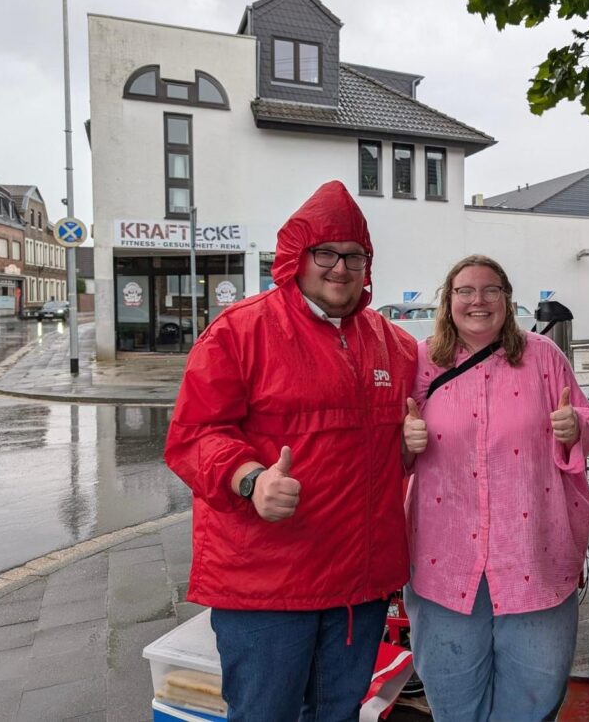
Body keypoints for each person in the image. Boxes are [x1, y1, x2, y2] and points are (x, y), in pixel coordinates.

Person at [165, 181, 416, 722]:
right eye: (325, 253)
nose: (340, 268)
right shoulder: (239, 332)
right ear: (296, 257)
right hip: (267, 586)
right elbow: (194, 435)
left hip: (357, 586)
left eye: (354, 255)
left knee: (338, 714)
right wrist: (251, 479)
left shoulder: (394, 344)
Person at [401, 254, 589, 721]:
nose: (479, 300)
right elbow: (390, 449)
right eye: (465, 291)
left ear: (507, 300)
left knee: (536, 691)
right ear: (448, 300)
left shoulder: (543, 356)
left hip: (532, 554)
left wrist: (575, 427)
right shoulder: (421, 361)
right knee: (451, 692)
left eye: (491, 290)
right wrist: (404, 442)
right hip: (445, 561)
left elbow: (585, 421)